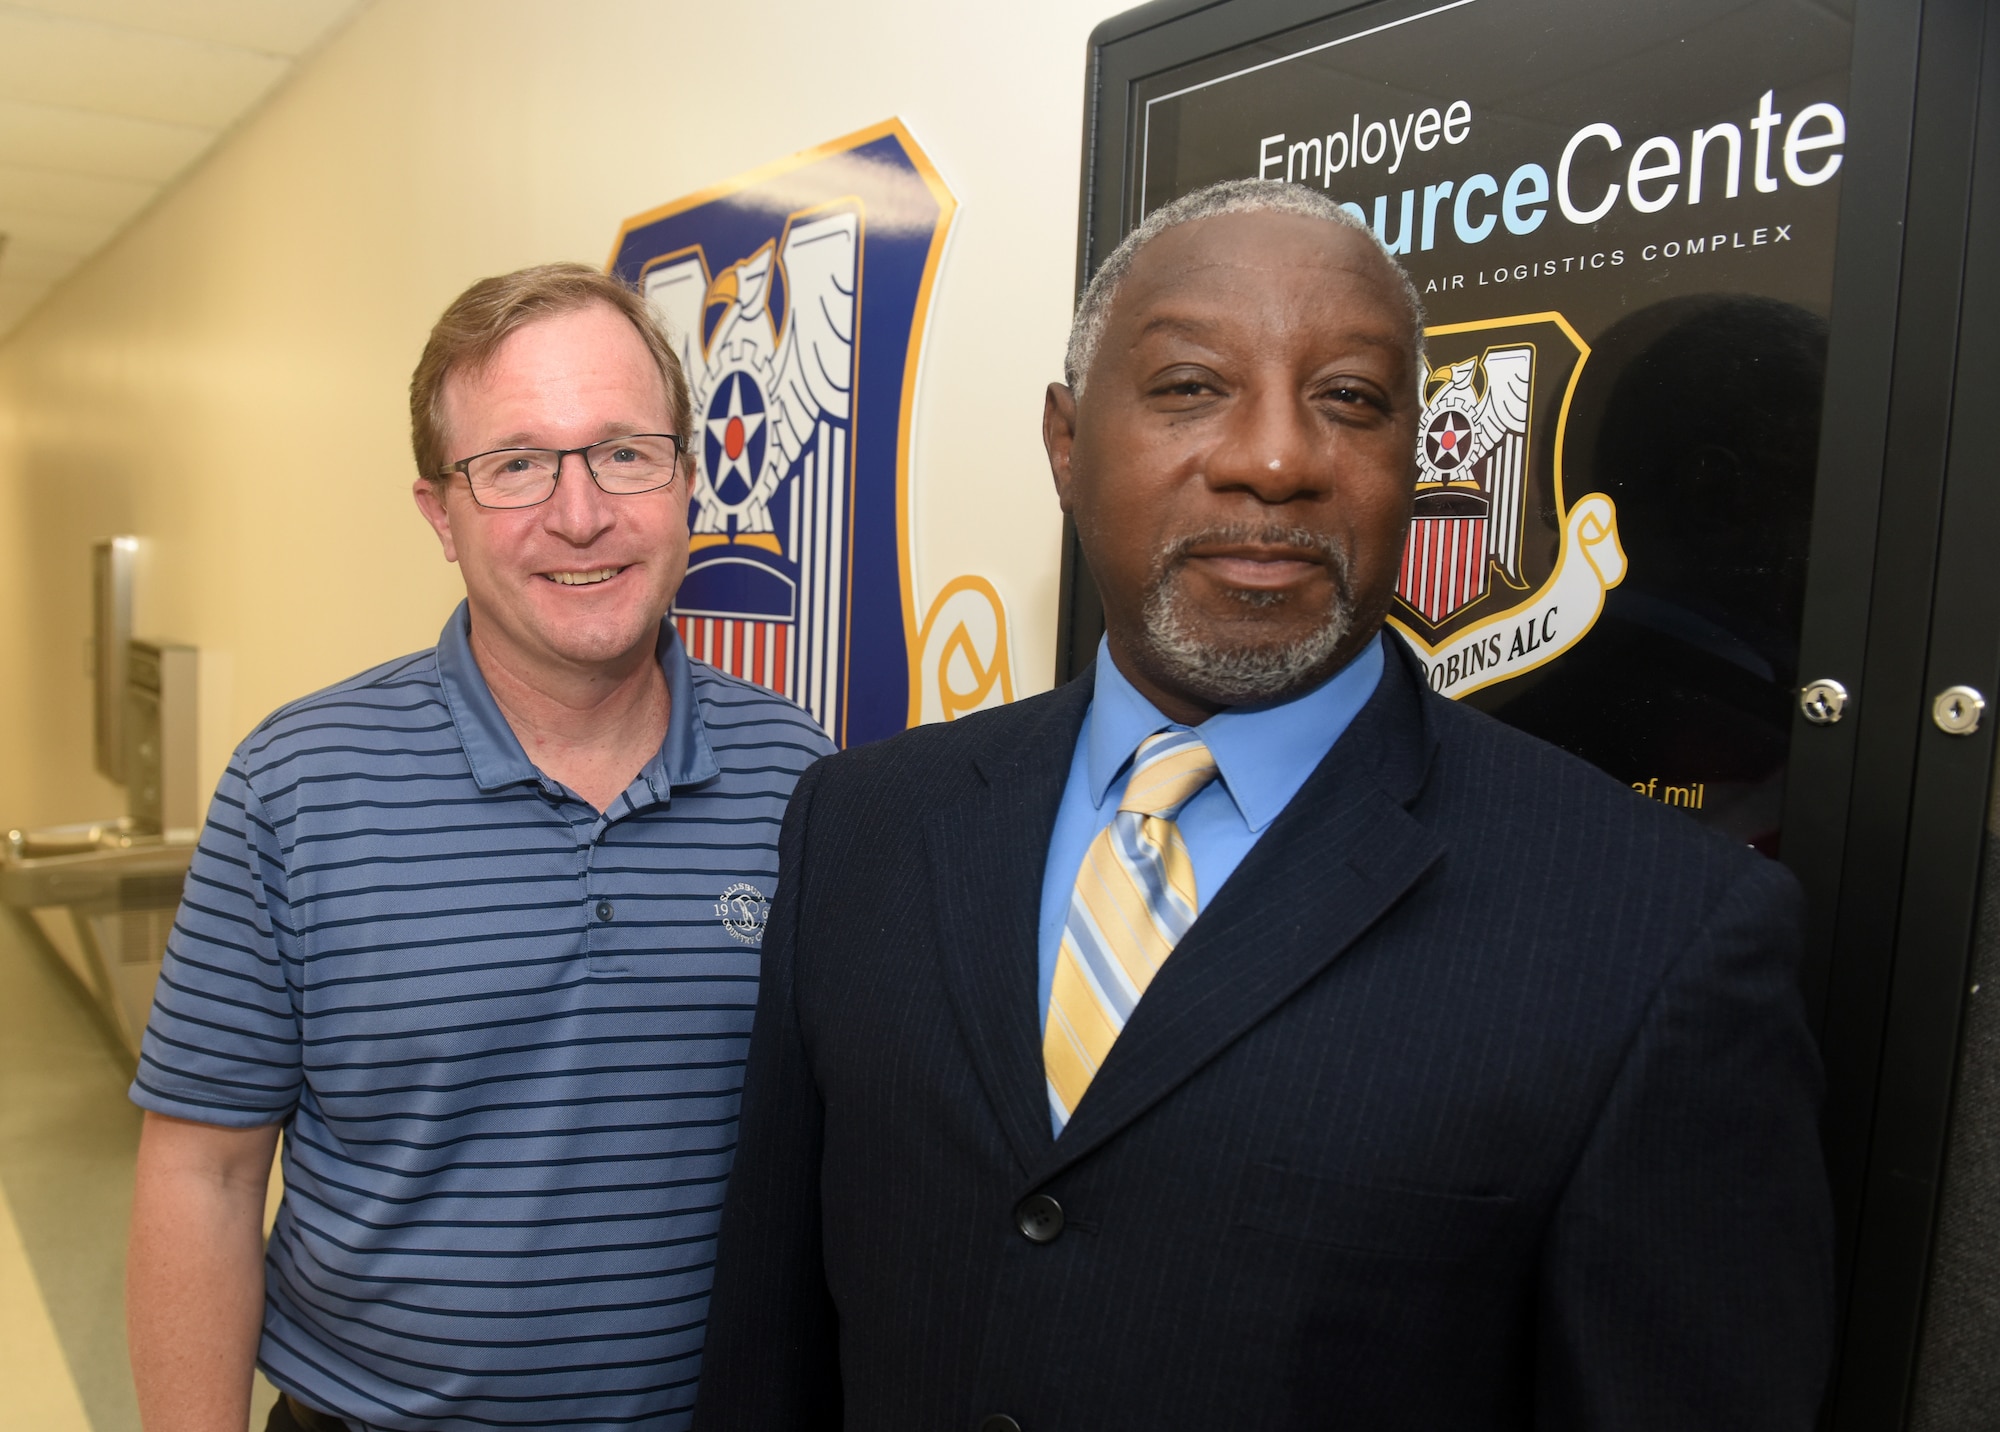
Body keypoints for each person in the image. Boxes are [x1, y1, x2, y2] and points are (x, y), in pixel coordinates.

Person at [692, 181, 1833, 1431]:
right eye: (1190, 386)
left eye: (1348, 399)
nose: (1275, 459)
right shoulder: (861, 824)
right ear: (1066, 445)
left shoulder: (1657, 933)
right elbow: (771, 1342)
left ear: (1410, 454)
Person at [126, 263, 834, 1432]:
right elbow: (201, 1176)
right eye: (514, 465)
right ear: (439, 516)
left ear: (686, 480)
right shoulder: (295, 787)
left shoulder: (805, 779)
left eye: (622, 451)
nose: (579, 514)